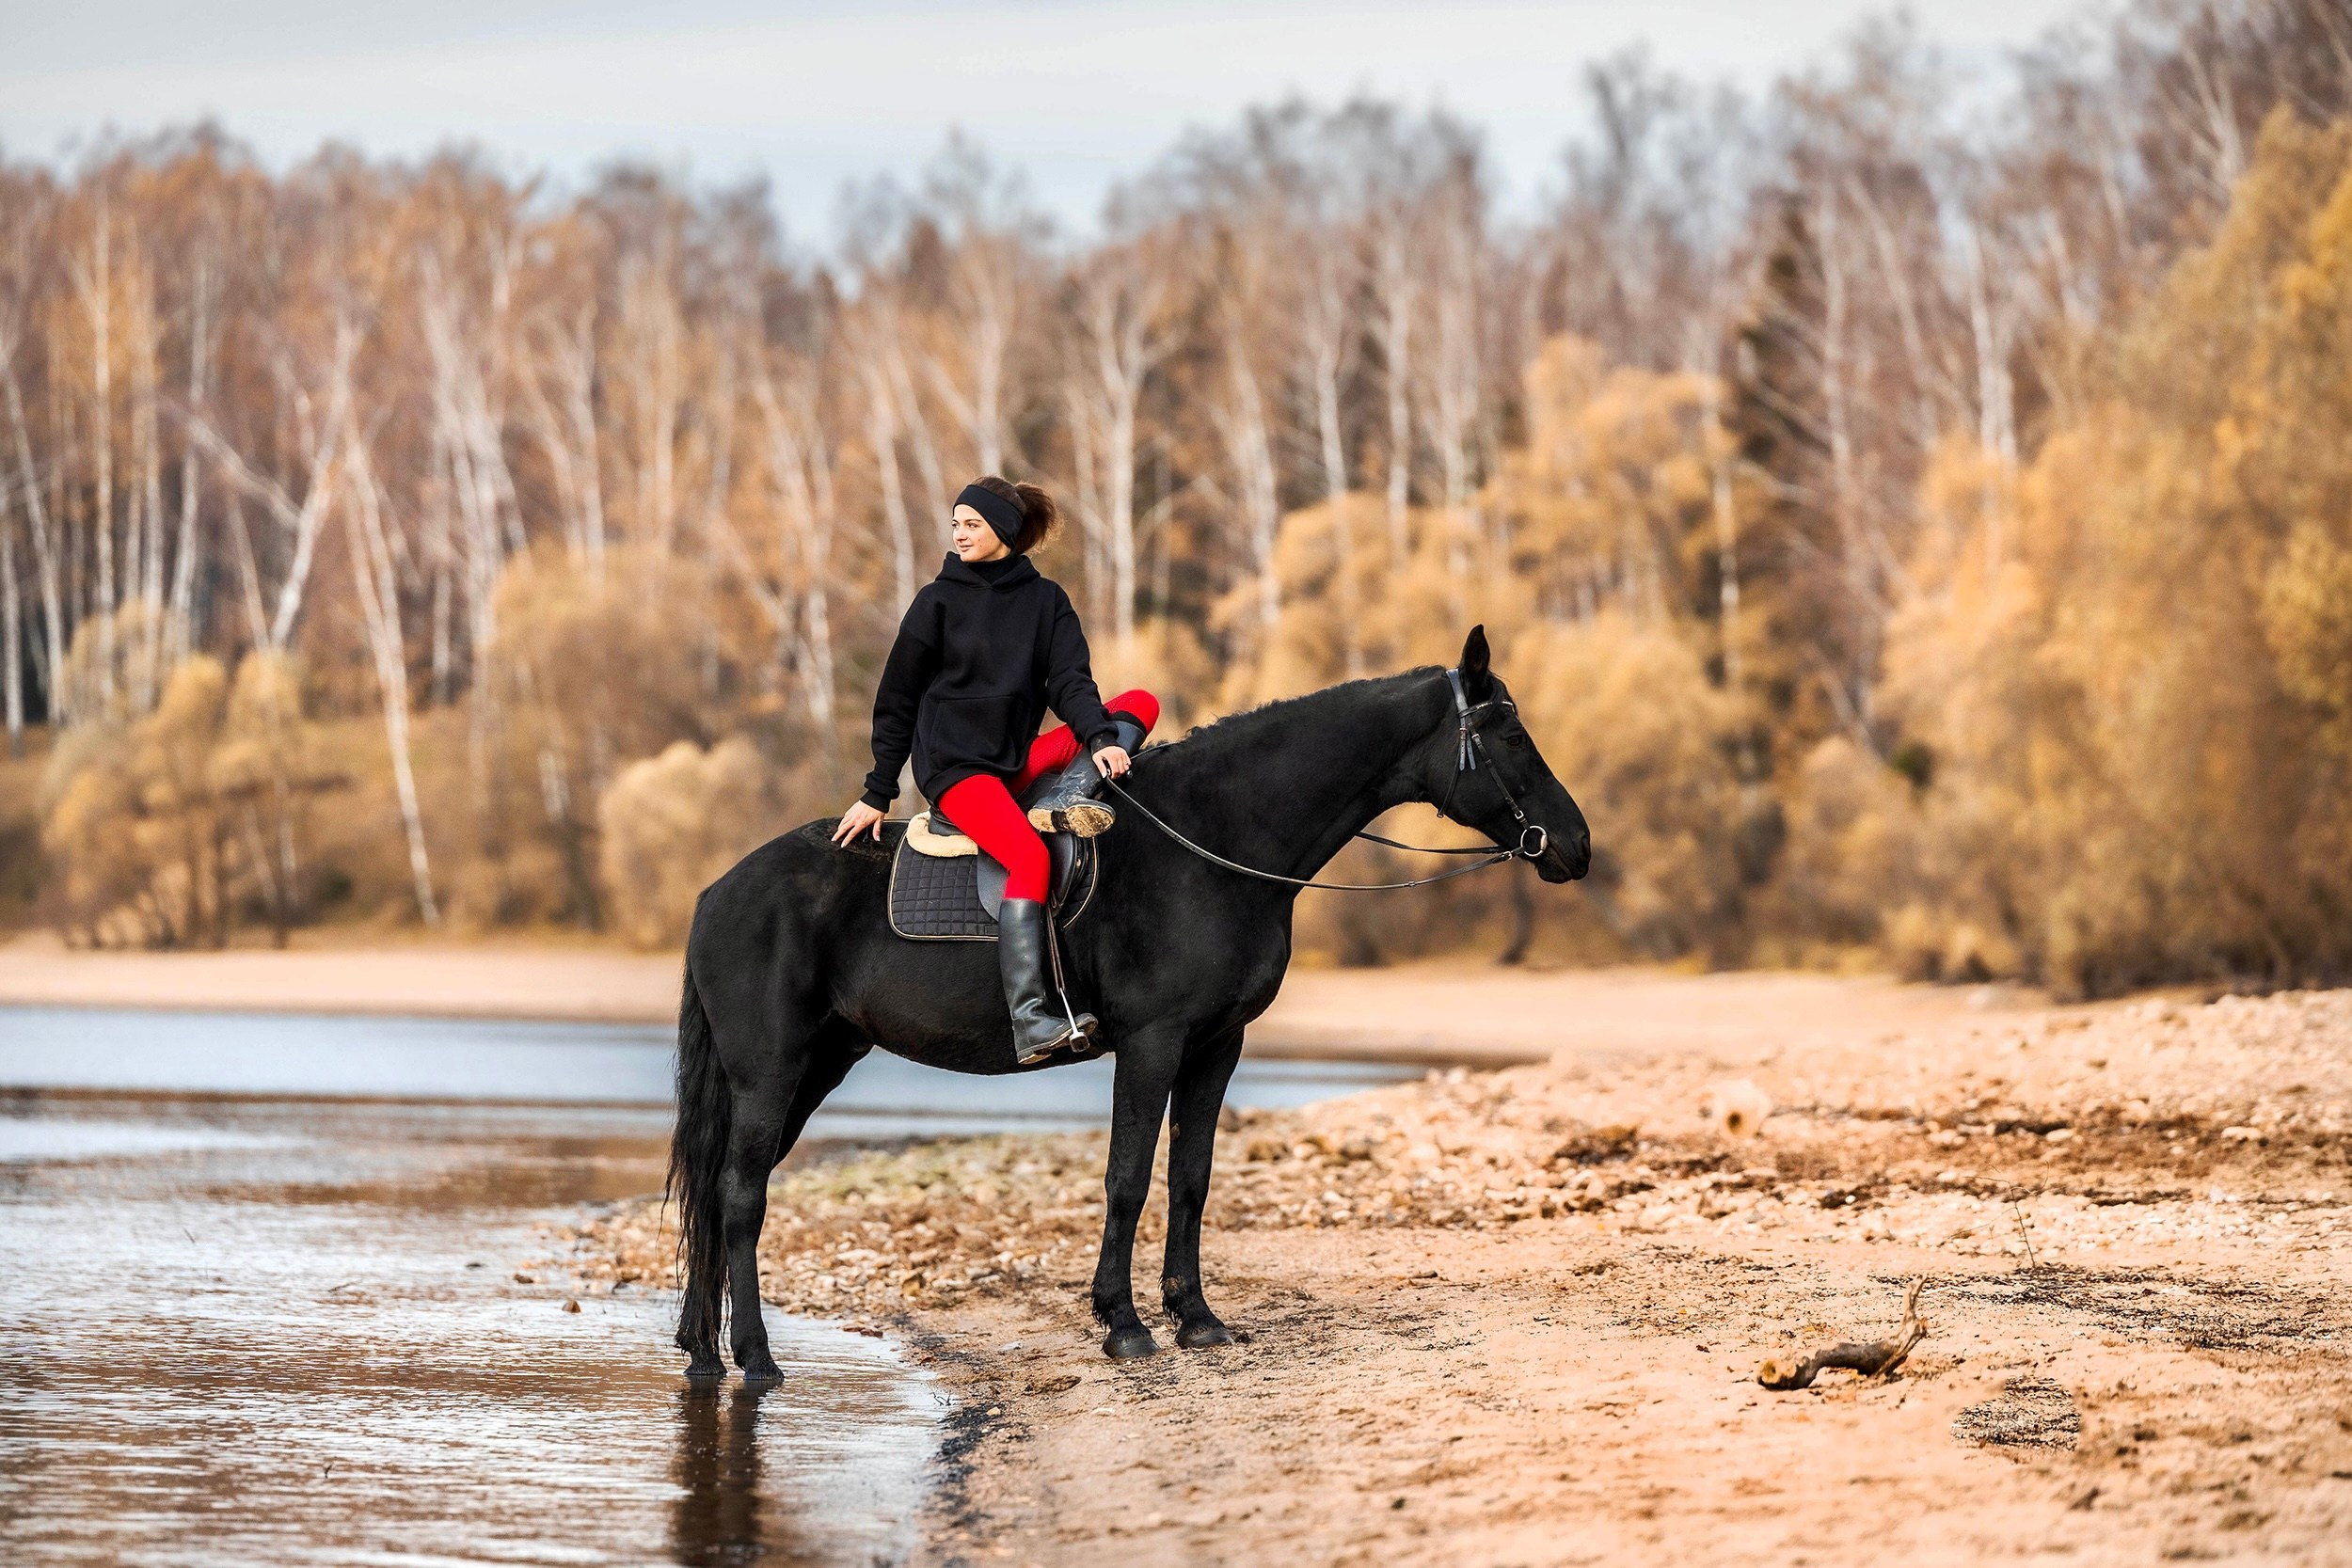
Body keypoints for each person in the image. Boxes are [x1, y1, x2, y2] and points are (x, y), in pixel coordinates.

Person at [833, 476, 1160, 1064]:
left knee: (1138, 702)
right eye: (956, 522)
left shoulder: (1047, 602)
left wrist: (1101, 739)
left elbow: (1070, 683)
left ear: (1003, 532)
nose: (959, 532)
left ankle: (1068, 794)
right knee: (1030, 857)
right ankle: (1032, 1018)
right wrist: (878, 791)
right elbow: (898, 701)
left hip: (1016, 763)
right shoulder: (936, 602)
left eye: (972, 523)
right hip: (958, 773)